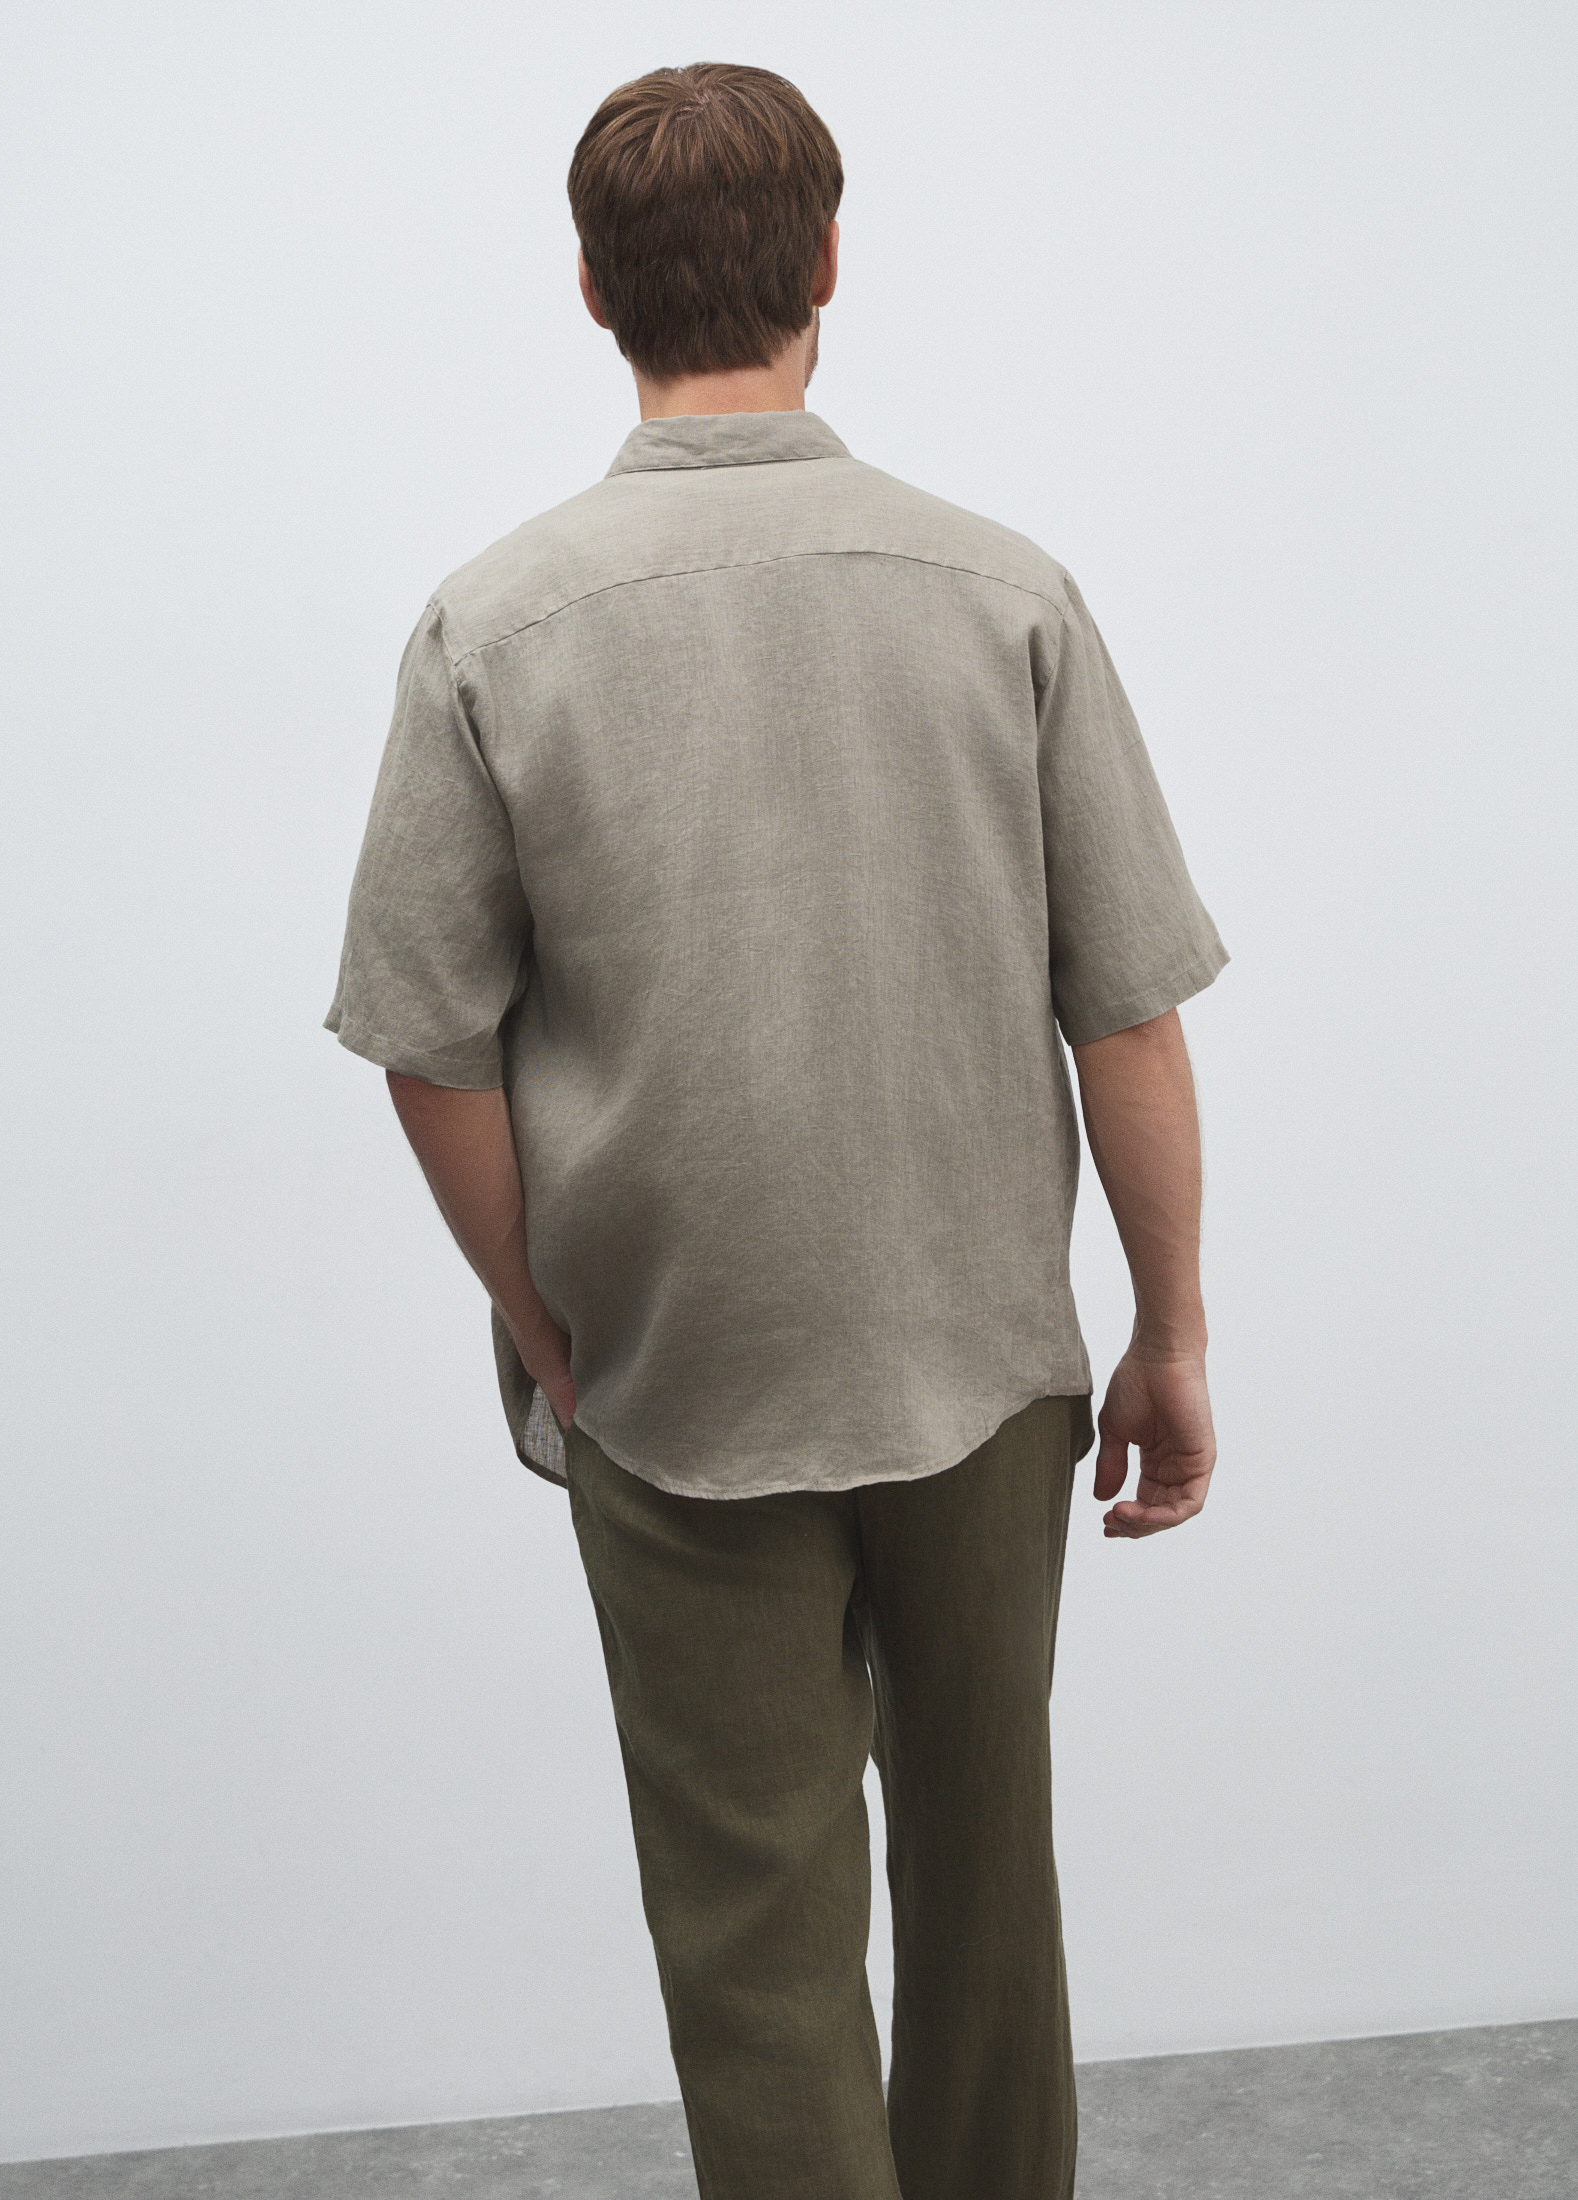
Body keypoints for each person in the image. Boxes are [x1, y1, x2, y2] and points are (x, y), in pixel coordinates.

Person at [323, 60, 1228, 2200]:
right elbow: (1126, 1008)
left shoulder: (492, 623)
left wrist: (545, 1322)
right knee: (990, 1886)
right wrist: (1170, 1329)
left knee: (752, 1936)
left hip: (674, 1373)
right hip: (977, 1357)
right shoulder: (1002, 589)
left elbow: (429, 1050)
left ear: (589, 288)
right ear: (829, 260)